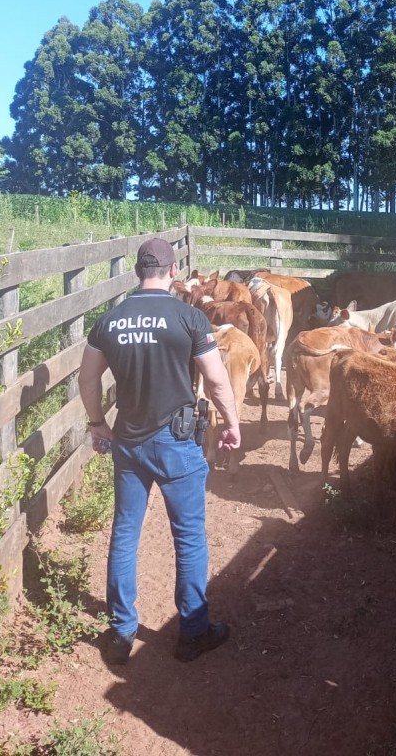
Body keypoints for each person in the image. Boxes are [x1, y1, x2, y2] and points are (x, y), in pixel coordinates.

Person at [78, 237, 241, 666]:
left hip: (128, 443)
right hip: (178, 443)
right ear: (172, 272)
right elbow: (217, 380)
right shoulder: (189, 317)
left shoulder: (108, 322)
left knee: (125, 534)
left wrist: (98, 424)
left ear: (137, 272)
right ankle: (192, 632)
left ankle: (121, 632)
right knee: (188, 537)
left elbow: (88, 381)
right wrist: (231, 423)